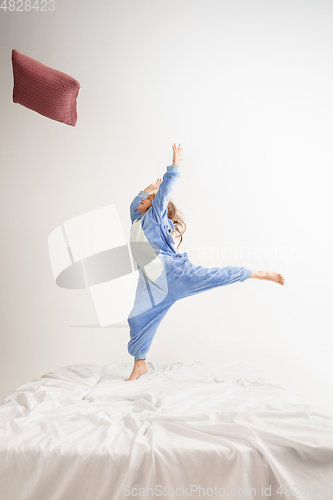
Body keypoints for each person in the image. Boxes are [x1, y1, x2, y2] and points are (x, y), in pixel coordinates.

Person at [126, 144, 284, 381]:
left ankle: (257, 273)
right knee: (137, 318)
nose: (141, 200)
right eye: (144, 198)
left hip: (173, 273)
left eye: (147, 199)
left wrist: (175, 166)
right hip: (152, 285)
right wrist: (147, 189)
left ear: (154, 206)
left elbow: (164, 192)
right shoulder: (137, 219)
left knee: (215, 276)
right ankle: (140, 364)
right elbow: (133, 205)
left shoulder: (153, 216)